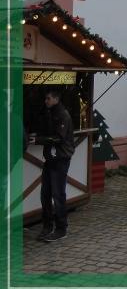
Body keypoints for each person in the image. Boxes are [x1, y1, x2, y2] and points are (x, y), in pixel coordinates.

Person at [35, 88, 75, 242]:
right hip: (50, 159)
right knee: (45, 193)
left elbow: (58, 137)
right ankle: (47, 226)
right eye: (45, 99)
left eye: (48, 99)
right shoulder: (50, 113)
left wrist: (39, 140)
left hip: (61, 159)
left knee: (58, 194)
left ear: (56, 99)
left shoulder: (63, 115)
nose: (46, 101)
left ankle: (61, 228)